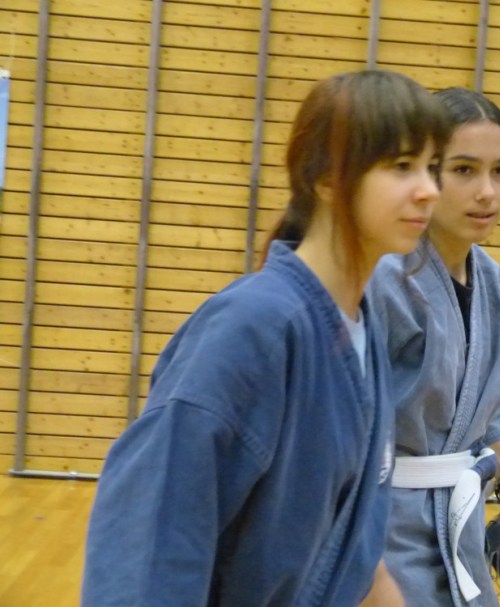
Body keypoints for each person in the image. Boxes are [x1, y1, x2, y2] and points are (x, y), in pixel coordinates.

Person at [81, 70, 451, 607]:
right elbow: (149, 536)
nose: (429, 190)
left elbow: (350, 553)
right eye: (401, 166)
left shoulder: (363, 331)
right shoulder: (253, 326)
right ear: (326, 178)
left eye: (432, 167)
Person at [367, 87, 500, 606]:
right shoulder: (384, 279)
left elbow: (488, 403)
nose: (487, 192)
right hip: (381, 531)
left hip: (458, 525)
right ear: (423, 173)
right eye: (464, 170)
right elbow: (336, 436)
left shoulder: (494, 283)